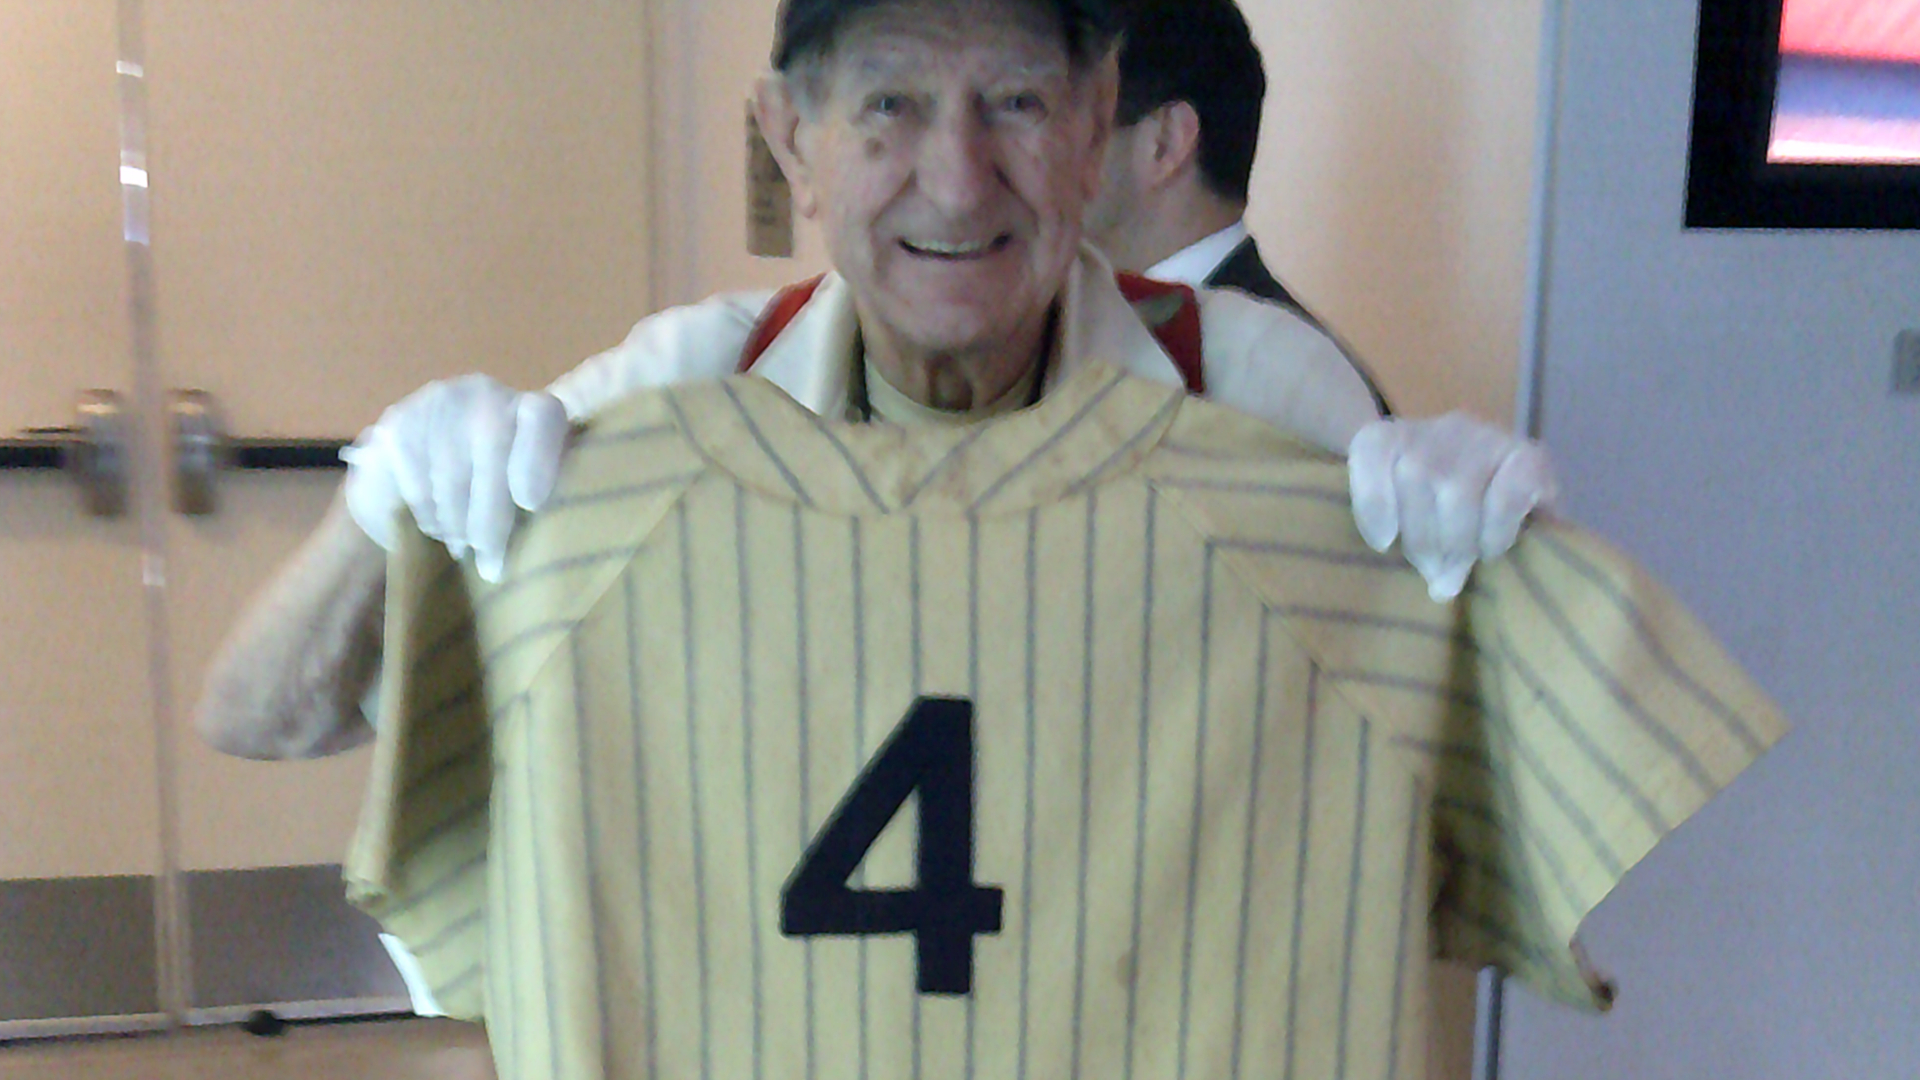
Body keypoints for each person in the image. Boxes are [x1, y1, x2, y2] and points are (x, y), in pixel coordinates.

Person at [194, 0, 1554, 767]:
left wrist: (1490, 576)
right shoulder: (686, 383)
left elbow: (1491, 795)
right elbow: (262, 715)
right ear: (797, 138)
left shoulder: (1254, 383)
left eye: (1016, 102)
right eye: (891, 105)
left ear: (1094, 130)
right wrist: (389, 506)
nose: (958, 181)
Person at [1084, 0, 1389, 410]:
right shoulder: (1080, 331)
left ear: (1165, 143)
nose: (1038, 152)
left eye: (1076, 122)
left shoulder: (1300, 386)